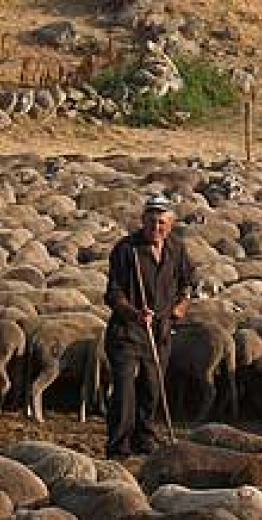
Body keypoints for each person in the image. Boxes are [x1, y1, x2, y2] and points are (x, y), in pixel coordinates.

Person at [103, 194, 194, 460]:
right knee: (124, 391)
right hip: (127, 332)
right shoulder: (126, 249)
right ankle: (118, 447)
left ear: (170, 225)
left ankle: (145, 440)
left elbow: (188, 283)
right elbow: (113, 292)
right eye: (152, 222)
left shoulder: (177, 249)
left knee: (152, 388)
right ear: (143, 221)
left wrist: (181, 306)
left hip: (161, 331)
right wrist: (133, 312)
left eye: (162, 223)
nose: (156, 229)